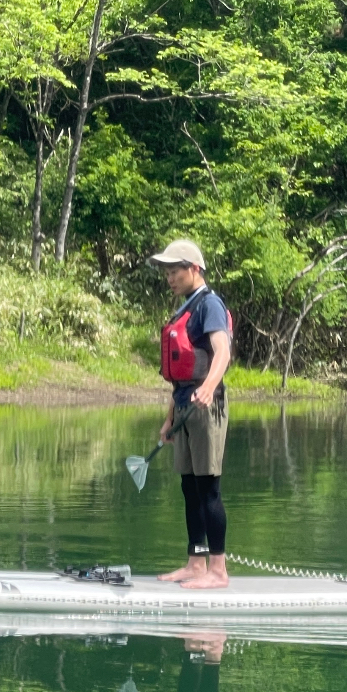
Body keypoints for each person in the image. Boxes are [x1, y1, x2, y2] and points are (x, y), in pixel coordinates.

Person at [149, 239, 232, 589]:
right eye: (166, 273)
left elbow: (222, 352)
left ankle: (218, 571)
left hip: (206, 406)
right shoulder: (185, 308)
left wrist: (210, 386)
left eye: (174, 272)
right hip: (184, 404)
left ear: (194, 269)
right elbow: (180, 376)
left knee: (207, 488)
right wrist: (169, 418)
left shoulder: (209, 305)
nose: (169, 278)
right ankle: (195, 564)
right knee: (188, 487)